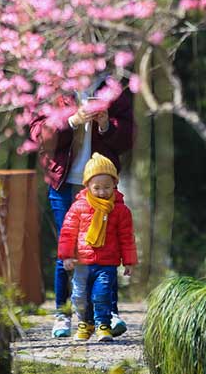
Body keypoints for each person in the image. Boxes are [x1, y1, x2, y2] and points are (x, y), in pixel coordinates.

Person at [29, 73, 134, 338]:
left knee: (106, 248)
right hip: (65, 183)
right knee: (67, 250)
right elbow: (39, 135)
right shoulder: (51, 82)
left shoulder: (113, 85)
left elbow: (129, 137)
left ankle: (108, 313)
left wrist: (106, 126)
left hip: (101, 184)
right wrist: (71, 121)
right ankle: (63, 314)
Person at [57, 153, 138, 342]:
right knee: (79, 296)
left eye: (107, 187)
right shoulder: (78, 207)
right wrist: (67, 256)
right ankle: (85, 324)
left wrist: (129, 261)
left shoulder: (120, 210)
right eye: (97, 188)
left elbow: (126, 237)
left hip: (107, 263)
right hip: (82, 263)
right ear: (87, 186)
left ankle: (103, 325)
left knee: (102, 295)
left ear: (115, 185)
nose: (102, 192)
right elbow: (68, 233)